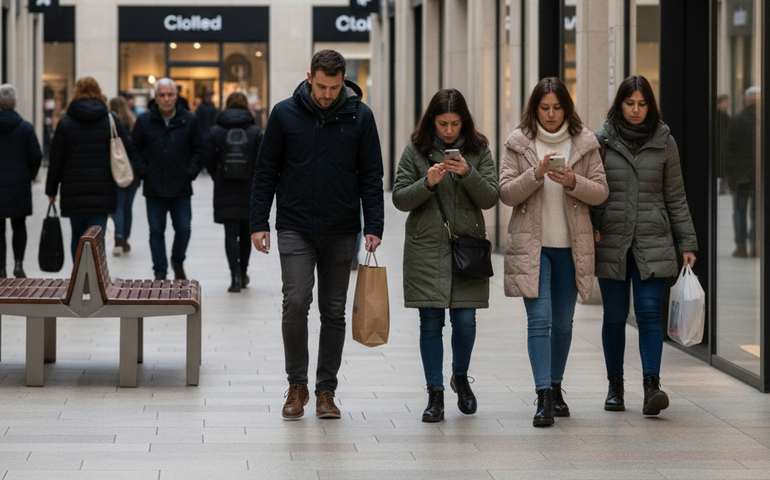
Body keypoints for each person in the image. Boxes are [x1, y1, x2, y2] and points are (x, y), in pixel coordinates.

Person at [250, 49, 384, 420]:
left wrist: (374, 225)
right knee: (295, 302)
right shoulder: (284, 114)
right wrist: (258, 222)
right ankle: (297, 385)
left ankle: (326, 391)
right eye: (321, 86)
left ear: (344, 80)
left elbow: (372, 176)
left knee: (333, 310)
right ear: (309, 77)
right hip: (294, 225)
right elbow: (265, 172)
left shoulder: (361, 116)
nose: (327, 94)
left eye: (334, 86)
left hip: (342, 229)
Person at [499, 77, 608, 427]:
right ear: (535, 109)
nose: (550, 114)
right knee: (539, 320)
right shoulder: (518, 143)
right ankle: (543, 395)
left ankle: (557, 386)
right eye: (544, 108)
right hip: (533, 248)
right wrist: (536, 173)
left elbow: (601, 192)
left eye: (556, 107)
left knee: (562, 324)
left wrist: (573, 181)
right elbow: (505, 193)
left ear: (566, 108)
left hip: (571, 248)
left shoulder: (585, 143)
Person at [592, 75, 698, 416]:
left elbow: (676, 196)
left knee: (650, 313)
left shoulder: (664, 140)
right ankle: (615, 387)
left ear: (650, 106)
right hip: (612, 241)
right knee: (614, 316)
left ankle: (652, 385)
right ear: (619, 104)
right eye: (630, 103)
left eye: (642, 104)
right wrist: (593, 226)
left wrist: (687, 241)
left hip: (654, 240)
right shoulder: (601, 141)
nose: (636, 110)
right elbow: (591, 194)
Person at [392, 89, 499, 423]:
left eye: (455, 123)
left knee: (465, 321)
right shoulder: (415, 150)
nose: (449, 130)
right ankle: (434, 393)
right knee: (431, 322)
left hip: (466, 248)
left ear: (463, 120)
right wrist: (428, 182)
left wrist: (468, 173)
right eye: (443, 123)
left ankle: (461, 377)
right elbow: (399, 198)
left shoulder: (479, 150)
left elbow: (491, 197)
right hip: (426, 248)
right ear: (432, 121)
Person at [46, 77, 133, 261]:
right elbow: (128, 147)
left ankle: (79, 279)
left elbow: (56, 160)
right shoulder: (110, 120)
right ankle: (94, 280)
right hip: (102, 188)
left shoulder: (66, 122)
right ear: (99, 92)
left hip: (73, 190)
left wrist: (51, 190)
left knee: (77, 235)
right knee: (96, 237)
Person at [132, 78, 204, 280]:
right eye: (162, 95)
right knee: (156, 231)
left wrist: (190, 172)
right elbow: (135, 149)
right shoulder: (144, 121)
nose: (166, 99)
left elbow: (199, 148)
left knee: (184, 228)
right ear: (155, 98)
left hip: (181, 187)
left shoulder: (189, 119)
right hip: (154, 187)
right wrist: (144, 171)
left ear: (176, 96)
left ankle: (177, 260)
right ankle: (160, 271)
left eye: (170, 94)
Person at [203, 91, 263, 292]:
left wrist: (217, 175)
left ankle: (234, 276)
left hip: (225, 186)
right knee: (247, 233)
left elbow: (208, 159)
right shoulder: (255, 131)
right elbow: (261, 160)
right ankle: (244, 272)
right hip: (249, 187)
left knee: (230, 233)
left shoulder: (216, 130)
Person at [0, 84, 43, 278]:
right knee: (19, 225)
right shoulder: (25, 127)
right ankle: (18, 264)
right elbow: (36, 155)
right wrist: (29, 176)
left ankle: (1, 269)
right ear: (15, 103)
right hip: (19, 184)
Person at [725, 87, 759, 258]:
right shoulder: (762, 120)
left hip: (740, 173)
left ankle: (741, 245)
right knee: (757, 210)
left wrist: (729, 176)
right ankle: (755, 244)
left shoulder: (737, 120)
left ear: (746, 100)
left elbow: (729, 149)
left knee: (740, 210)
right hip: (759, 174)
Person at [108, 96, 139, 256]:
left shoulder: (110, 122)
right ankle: (125, 238)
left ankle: (118, 237)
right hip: (133, 170)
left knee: (118, 205)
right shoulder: (134, 121)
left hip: (117, 168)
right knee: (128, 206)